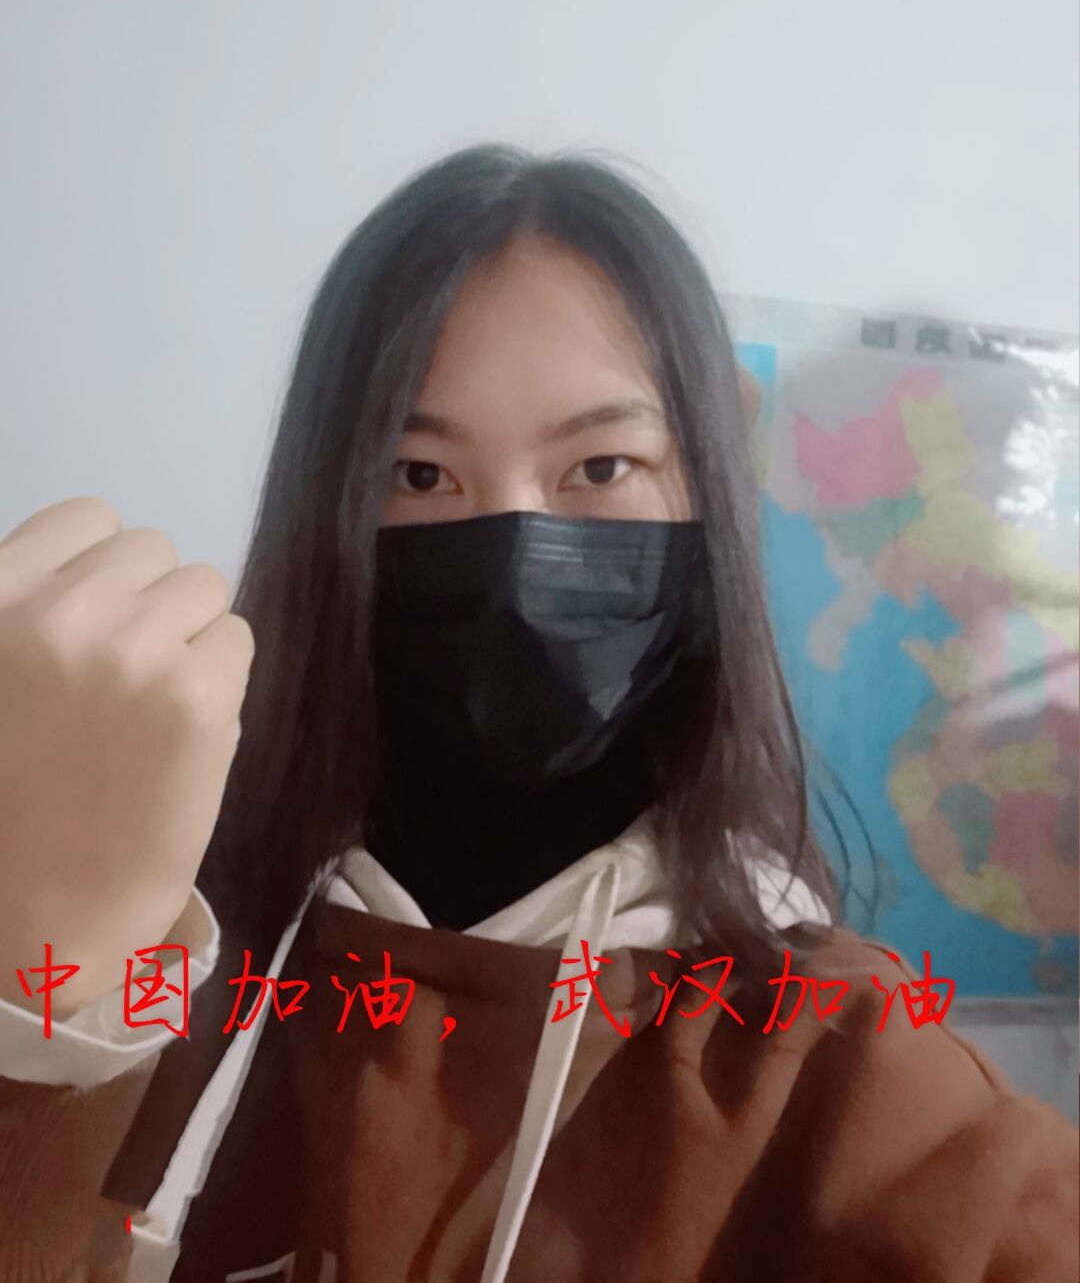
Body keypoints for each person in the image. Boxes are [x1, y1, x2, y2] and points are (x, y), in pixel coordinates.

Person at [0, 145, 1075, 1283]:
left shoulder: (839, 1064)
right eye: (418, 475)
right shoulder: (177, 960)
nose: (513, 557)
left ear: (707, 496)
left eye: (601, 467)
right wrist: (51, 989)